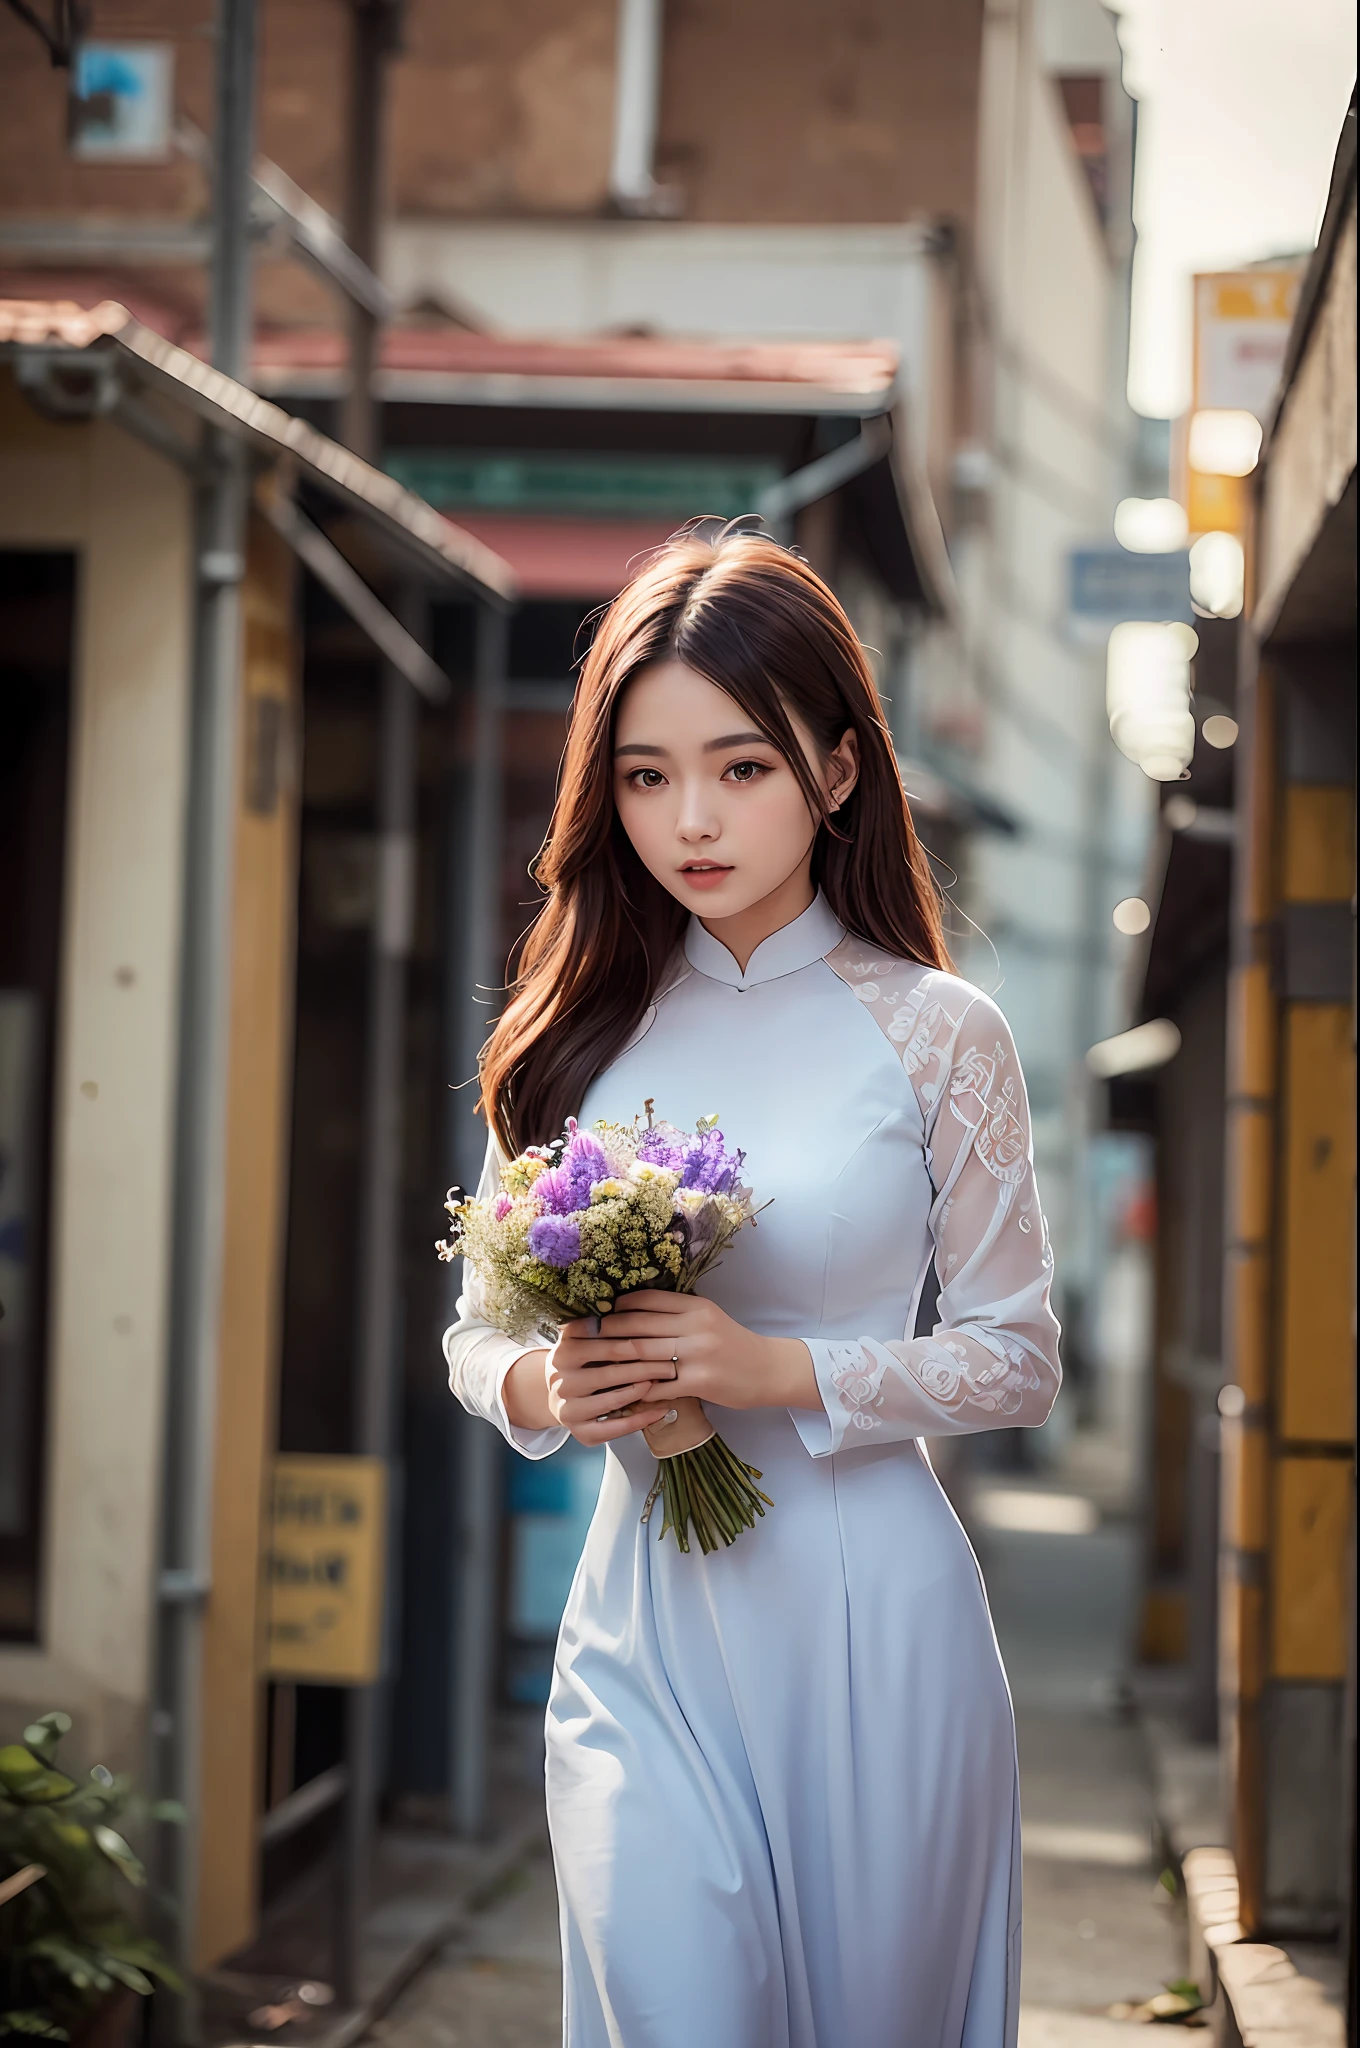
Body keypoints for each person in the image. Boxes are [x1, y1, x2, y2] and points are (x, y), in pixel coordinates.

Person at [445, 525, 1061, 2048]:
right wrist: (542, 1385)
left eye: (742, 768)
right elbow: (480, 1332)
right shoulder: (580, 1032)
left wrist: (772, 1367)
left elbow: (1018, 1359)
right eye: (646, 777)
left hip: (875, 1627)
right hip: (643, 1625)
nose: (691, 820)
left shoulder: (938, 1033)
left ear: (839, 772)